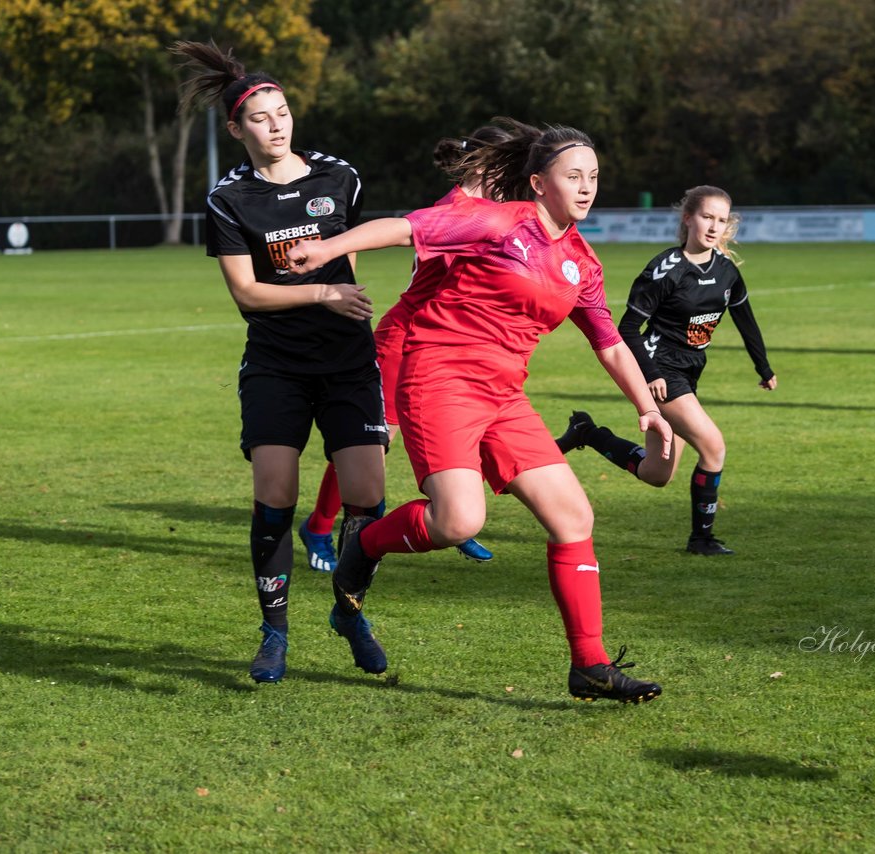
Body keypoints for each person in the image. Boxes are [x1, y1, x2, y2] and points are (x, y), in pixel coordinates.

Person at [288, 122, 671, 704]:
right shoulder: (498, 220)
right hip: (439, 377)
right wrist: (328, 248)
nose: (588, 187)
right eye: (574, 177)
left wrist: (648, 408)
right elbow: (406, 226)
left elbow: (609, 342)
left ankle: (590, 666)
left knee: (574, 518)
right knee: (459, 523)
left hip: (504, 396)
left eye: (594, 176)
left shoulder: (581, 260)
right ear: (539, 183)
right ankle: (361, 548)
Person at [172, 40, 388, 683]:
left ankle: (349, 611)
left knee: (367, 498)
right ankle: (273, 632)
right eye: (261, 118)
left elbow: (356, 250)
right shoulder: (229, 199)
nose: (277, 125)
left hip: (348, 361)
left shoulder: (337, 177)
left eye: (284, 112)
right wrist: (323, 289)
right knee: (275, 492)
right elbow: (247, 292)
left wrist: (344, 288)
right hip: (276, 363)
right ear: (237, 129)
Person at [297, 130, 513, 573]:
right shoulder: (454, 212)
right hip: (408, 338)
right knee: (373, 442)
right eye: (506, 167)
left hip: (444, 342)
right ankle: (318, 528)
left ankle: (456, 519)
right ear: (480, 166)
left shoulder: (493, 213)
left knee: (454, 424)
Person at [554, 186, 776, 556]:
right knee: (714, 446)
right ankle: (701, 540)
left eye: (721, 220)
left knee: (657, 474)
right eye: (707, 216)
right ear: (688, 218)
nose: (713, 226)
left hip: (688, 373)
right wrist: (651, 373)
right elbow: (626, 328)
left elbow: (746, 321)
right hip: (660, 372)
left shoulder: (726, 272)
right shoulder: (665, 270)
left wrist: (763, 367)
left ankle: (588, 433)